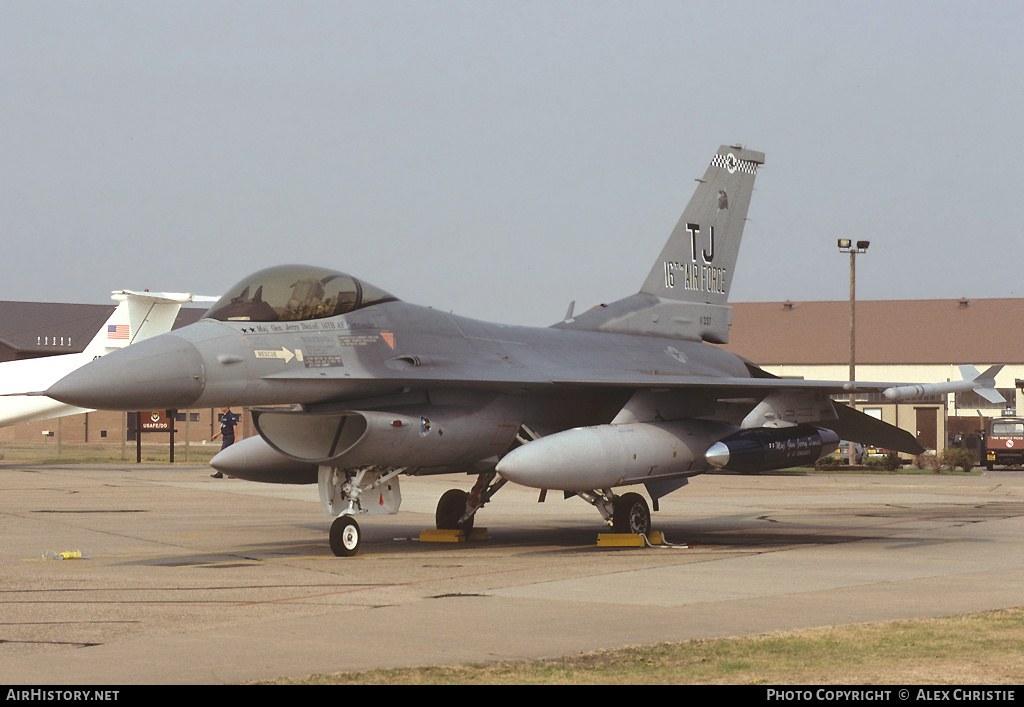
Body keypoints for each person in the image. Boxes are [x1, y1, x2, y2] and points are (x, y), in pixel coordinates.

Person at [210, 407, 239, 478]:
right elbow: (223, 427)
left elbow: (234, 426)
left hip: (229, 437)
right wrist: (217, 435)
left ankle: (230, 473)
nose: (221, 408)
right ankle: (220, 472)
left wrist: (236, 437)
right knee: (225, 455)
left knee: (223, 454)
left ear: (226, 407)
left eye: (223, 406)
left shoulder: (230, 415)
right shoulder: (224, 416)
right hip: (225, 437)